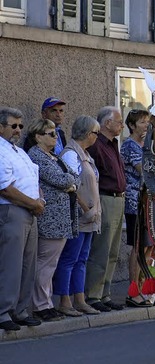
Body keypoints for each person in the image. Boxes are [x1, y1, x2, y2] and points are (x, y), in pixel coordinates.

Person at [27, 119, 80, 322]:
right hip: (50, 218)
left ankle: (46, 303)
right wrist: (70, 182)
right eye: (50, 133)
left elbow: (76, 177)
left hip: (61, 218)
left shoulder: (54, 156)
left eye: (56, 133)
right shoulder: (36, 155)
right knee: (45, 263)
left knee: (51, 263)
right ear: (38, 136)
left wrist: (70, 182)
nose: (55, 137)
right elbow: (61, 179)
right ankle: (41, 305)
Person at [53, 116, 103, 316]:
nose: (97, 137)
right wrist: (85, 209)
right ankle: (65, 301)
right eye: (95, 133)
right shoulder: (70, 154)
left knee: (81, 258)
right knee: (70, 258)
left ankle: (79, 299)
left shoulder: (85, 154)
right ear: (86, 133)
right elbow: (72, 186)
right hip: (79, 216)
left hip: (90, 216)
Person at [0, 107, 43, 331]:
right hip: (12, 210)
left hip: (30, 211)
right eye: (13, 126)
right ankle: (4, 311)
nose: (18, 130)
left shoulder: (18, 151)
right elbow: (5, 188)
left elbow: (32, 179)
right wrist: (33, 203)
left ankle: (21, 310)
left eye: (20, 126)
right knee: (11, 264)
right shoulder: (1, 150)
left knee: (28, 264)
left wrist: (39, 201)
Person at [85, 106, 126, 312]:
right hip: (105, 198)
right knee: (101, 249)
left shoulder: (113, 144)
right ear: (107, 123)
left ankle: (105, 293)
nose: (122, 125)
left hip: (118, 199)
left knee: (112, 251)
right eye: (119, 121)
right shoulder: (97, 145)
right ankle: (93, 294)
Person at [121, 110, 153, 308]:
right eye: (142, 122)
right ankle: (133, 290)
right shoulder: (130, 145)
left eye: (148, 122)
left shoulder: (146, 145)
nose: (146, 125)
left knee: (149, 247)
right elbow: (145, 170)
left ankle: (145, 287)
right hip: (134, 203)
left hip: (148, 201)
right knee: (138, 247)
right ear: (132, 126)